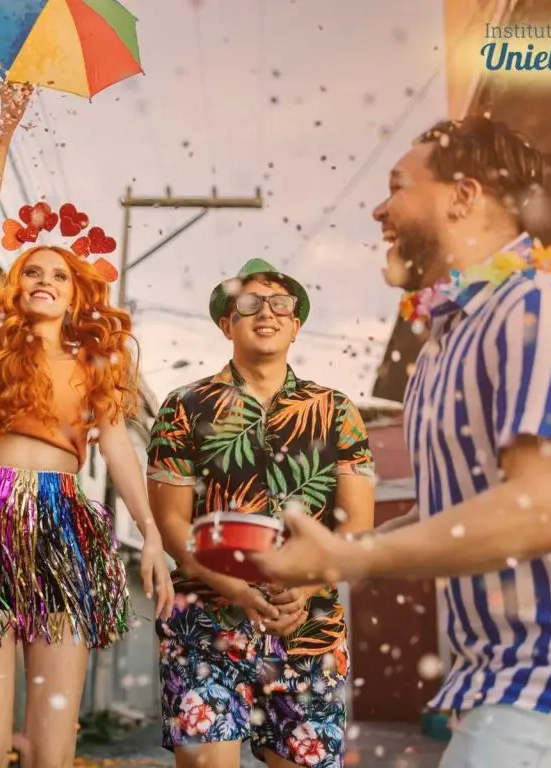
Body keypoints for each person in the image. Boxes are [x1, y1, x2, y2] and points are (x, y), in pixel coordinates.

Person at [253, 116, 551, 768]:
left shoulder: (542, 307)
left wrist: (356, 561)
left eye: (398, 186)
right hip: (499, 684)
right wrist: (331, 555)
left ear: (464, 195)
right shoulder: (441, 351)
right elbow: (446, 520)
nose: (380, 208)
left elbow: (548, 509)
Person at [0, 83, 174, 768]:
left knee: (55, 749)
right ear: (15, 284)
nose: (44, 279)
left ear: (76, 289)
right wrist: (3, 133)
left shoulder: (93, 365)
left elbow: (117, 443)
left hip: (63, 530)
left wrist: (150, 532)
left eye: (58, 272)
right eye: (32, 269)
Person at [146, 257, 376, 767]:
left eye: (280, 303)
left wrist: (309, 585)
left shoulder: (338, 411)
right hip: (204, 626)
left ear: (296, 323)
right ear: (227, 323)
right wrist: (234, 588)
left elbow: (357, 526)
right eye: (248, 303)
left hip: (308, 629)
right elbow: (171, 523)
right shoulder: (184, 405)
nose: (265, 312)